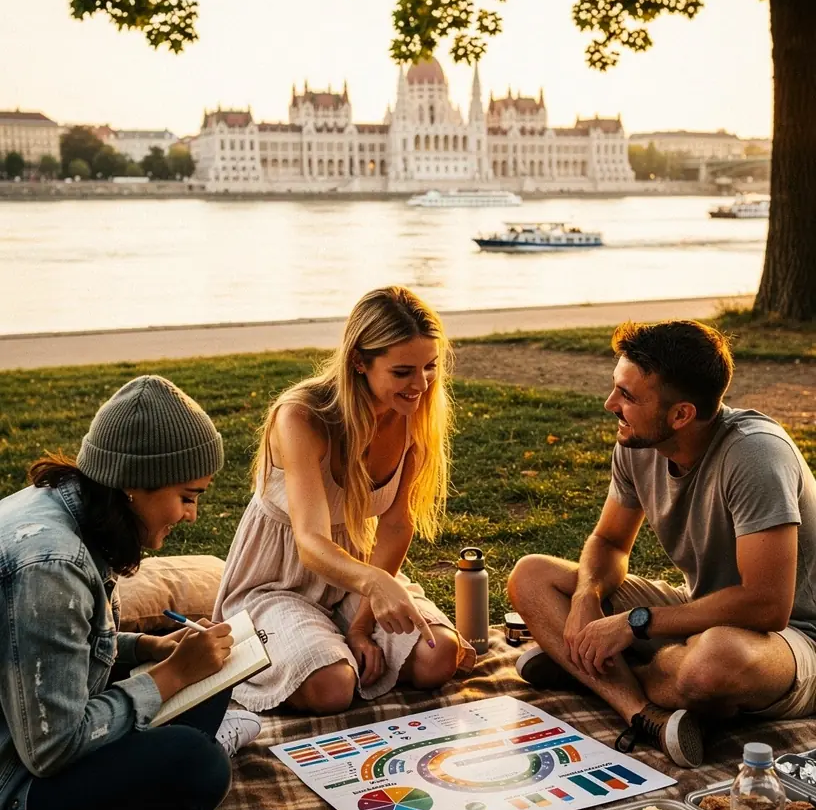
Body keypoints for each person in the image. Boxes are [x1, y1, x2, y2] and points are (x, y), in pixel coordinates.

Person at [508, 320, 816, 769]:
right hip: (704, 611)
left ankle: (584, 669)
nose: (610, 404)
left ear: (681, 415)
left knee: (711, 664)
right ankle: (641, 711)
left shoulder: (756, 456)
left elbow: (768, 606)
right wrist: (585, 596)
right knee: (532, 575)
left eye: (628, 397)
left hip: (794, 637)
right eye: (617, 388)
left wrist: (634, 625)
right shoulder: (636, 442)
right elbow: (610, 541)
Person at [0, 375, 260, 810]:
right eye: (187, 496)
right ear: (134, 483)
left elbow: (50, 649)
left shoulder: (66, 508)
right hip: (15, 790)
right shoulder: (52, 565)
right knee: (197, 765)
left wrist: (151, 648)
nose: (192, 513)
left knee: (212, 667)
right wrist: (169, 675)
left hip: (26, 730)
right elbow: (50, 747)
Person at [216, 286, 474, 715]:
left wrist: (362, 625)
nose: (421, 384)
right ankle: (259, 653)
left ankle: (331, 638)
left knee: (438, 656)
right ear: (359, 361)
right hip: (278, 580)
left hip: (354, 571)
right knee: (333, 686)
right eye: (403, 371)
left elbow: (394, 525)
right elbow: (311, 541)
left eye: (430, 367)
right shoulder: (300, 417)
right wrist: (375, 583)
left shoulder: (414, 415)